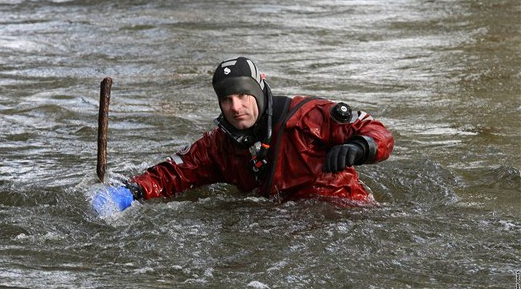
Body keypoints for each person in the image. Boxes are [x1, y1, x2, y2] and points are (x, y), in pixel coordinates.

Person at [92, 57, 394, 215]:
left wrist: (360, 147)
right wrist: (130, 192)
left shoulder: (308, 116)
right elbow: (174, 173)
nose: (235, 107)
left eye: (242, 96)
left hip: (344, 216)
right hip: (275, 228)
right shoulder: (218, 145)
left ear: (259, 91)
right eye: (227, 100)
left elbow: (378, 133)